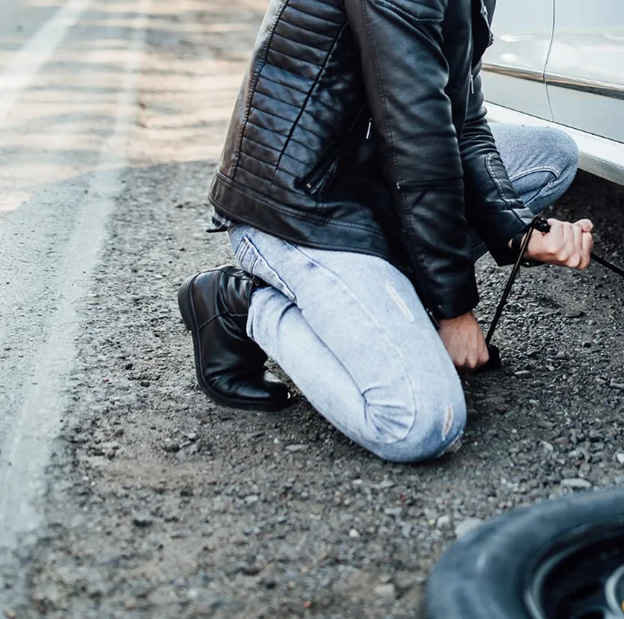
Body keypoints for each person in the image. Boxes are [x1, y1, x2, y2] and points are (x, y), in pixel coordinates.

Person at [177, 0, 592, 463]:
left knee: (550, 154)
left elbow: (464, 123)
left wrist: (519, 232)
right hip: (302, 206)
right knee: (420, 422)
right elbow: (419, 142)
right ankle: (240, 305)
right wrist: (453, 312)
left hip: (371, 177)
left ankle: (387, 305)